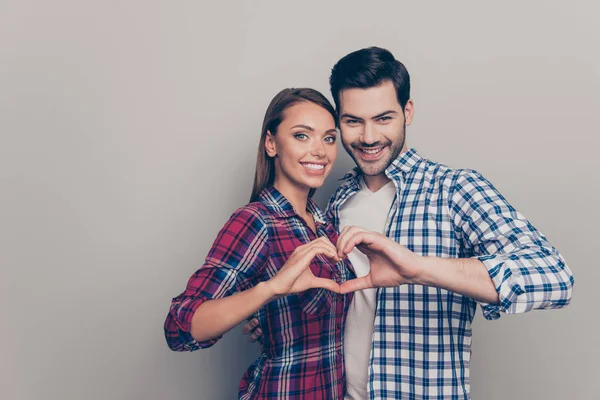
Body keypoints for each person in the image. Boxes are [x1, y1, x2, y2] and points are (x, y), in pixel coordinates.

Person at [243, 47, 574, 399]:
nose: (369, 137)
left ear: (408, 112)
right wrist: (269, 311)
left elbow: (555, 276)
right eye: (353, 121)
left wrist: (420, 269)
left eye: (383, 118)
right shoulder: (335, 200)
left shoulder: (453, 189)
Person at [164, 88, 356, 399]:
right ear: (271, 144)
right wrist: (269, 289)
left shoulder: (325, 225)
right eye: (302, 136)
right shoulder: (257, 221)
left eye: (329, 138)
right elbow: (179, 327)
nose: (320, 151)